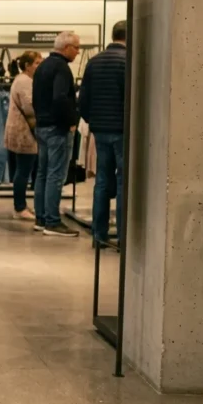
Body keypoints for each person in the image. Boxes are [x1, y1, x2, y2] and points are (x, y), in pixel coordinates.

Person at [79, 20, 127, 246]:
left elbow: (83, 99)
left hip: (100, 129)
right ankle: (123, 236)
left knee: (101, 181)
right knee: (123, 181)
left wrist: (93, 120)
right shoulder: (128, 61)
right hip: (122, 129)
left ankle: (99, 235)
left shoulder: (94, 62)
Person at [32, 31, 81, 237]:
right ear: (66, 47)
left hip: (42, 126)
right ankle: (52, 221)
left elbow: (36, 97)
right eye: (76, 48)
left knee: (43, 173)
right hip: (57, 128)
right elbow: (60, 98)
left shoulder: (42, 66)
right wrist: (71, 121)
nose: (78, 52)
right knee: (55, 175)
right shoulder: (61, 68)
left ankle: (41, 218)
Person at [5, 52, 42, 220]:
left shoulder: (23, 80)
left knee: (23, 170)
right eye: (37, 63)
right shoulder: (25, 82)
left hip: (21, 130)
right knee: (23, 170)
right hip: (24, 131)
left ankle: (21, 205)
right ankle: (19, 207)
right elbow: (29, 106)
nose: (39, 66)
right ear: (27, 65)